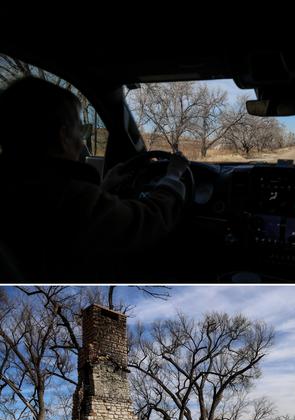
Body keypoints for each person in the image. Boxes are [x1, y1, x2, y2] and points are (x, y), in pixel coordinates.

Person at [0, 76, 188, 281]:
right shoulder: (68, 199)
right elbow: (146, 223)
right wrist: (172, 177)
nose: (82, 143)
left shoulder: (16, 186)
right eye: (81, 131)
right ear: (63, 137)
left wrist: (103, 188)